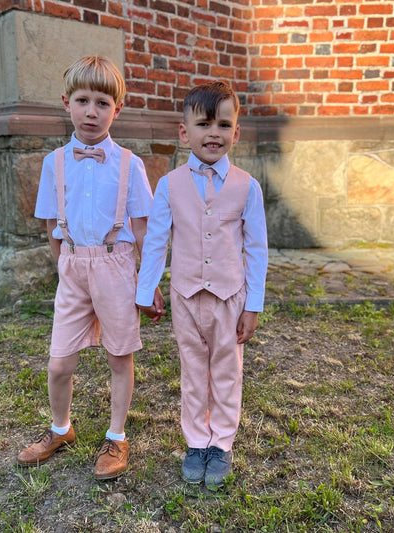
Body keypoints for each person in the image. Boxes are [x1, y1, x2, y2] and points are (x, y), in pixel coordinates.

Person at [17, 56, 163, 480]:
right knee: (59, 362)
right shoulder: (54, 163)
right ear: (67, 103)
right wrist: (68, 265)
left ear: (117, 108)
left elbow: (144, 231)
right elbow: (51, 226)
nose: (92, 111)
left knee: (120, 356)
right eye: (83, 100)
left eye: (102, 102)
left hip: (116, 266)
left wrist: (148, 283)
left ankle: (116, 436)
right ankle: (61, 428)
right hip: (73, 266)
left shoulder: (129, 164)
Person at [136, 80, 268, 490]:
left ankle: (222, 443)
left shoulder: (248, 186)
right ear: (184, 132)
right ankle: (196, 441)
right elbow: (157, 240)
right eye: (204, 124)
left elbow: (257, 249)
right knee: (194, 370)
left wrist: (254, 305)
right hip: (187, 296)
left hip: (230, 296)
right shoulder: (170, 185)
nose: (214, 133)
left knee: (226, 371)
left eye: (223, 125)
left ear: (236, 133)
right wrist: (146, 291)